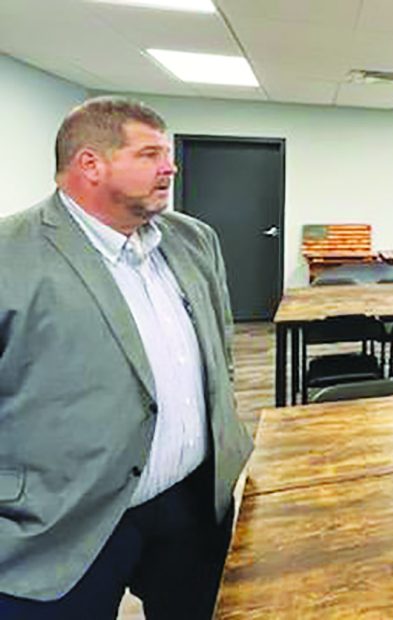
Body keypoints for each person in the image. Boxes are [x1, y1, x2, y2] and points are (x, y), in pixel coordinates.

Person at [0, 96, 253, 618]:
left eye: (169, 155)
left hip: (190, 503)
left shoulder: (194, 240)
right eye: (149, 154)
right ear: (89, 163)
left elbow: (218, 352)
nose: (170, 167)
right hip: (63, 521)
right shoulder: (12, 254)